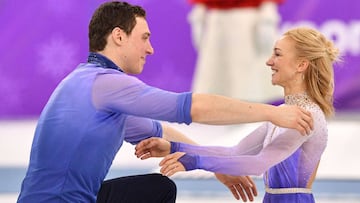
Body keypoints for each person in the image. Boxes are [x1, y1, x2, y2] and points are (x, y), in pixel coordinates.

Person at [17, 1, 314, 203]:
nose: (151, 48)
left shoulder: (90, 84)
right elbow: (193, 108)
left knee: (157, 188)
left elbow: (159, 132)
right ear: (118, 37)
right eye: (144, 37)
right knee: (158, 191)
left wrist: (215, 165)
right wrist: (274, 113)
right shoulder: (106, 84)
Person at [135, 27, 340, 202]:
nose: (269, 61)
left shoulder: (308, 117)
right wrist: (175, 147)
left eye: (277, 54)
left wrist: (194, 161)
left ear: (301, 65)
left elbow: (258, 163)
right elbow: (235, 152)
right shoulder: (281, 115)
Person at [189, 0, 284, 102]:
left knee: (249, 83)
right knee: (216, 79)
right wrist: (198, 16)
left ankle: (252, 112)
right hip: (217, 25)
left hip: (249, 25)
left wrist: (267, 17)